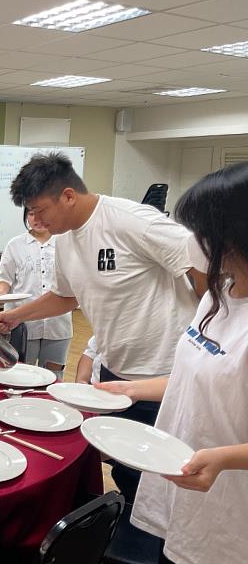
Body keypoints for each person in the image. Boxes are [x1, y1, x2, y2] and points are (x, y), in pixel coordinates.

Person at [0, 152, 205, 501]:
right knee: (124, 466)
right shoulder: (66, 239)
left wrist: (210, 329)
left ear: (69, 196)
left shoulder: (132, 221)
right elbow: (65, 296)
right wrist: (17, 315)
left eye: (41, 210)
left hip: (163, 372)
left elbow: (201, 264)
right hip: (115, 369)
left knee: (164, 478)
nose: (36, 220)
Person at [97, 161, 248, 564]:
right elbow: (194, 377)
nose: (192, 242)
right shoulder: (218, 297)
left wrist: (225, 458)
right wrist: (128, 389)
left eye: (200, 232)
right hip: (185, 482)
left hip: (230, 501)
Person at [0, 208, 72, 373]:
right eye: (31, 214)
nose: (37, 219)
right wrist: (1, 291)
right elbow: (4, 277)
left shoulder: (65, 242)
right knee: (21, 372)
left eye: (42, 213)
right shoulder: (15, 244)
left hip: (58, 323)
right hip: (22, 322)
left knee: (53, 375)